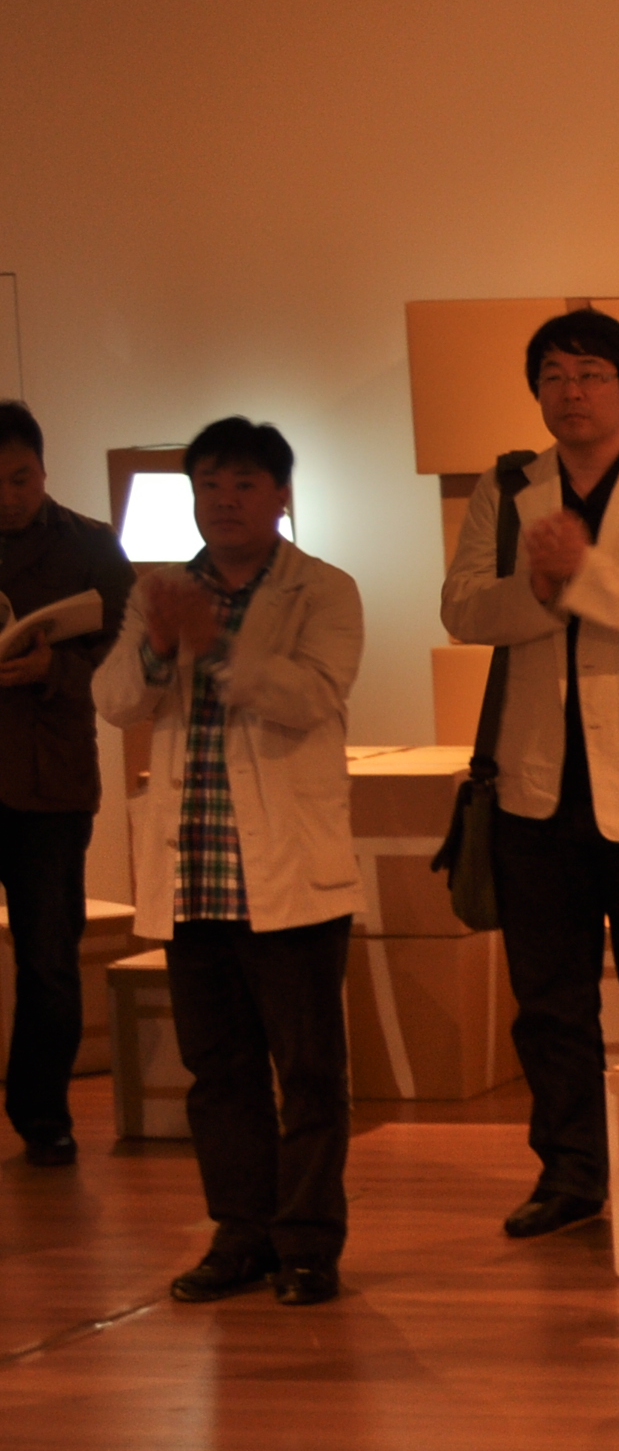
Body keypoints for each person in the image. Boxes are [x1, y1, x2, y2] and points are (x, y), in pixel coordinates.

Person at [443, 310, 619, 1241]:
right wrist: (539, 589)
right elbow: (462, 611)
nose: (572, 392)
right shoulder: (505, 491)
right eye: (554, 375)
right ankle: (569, 1173)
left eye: (592, 374)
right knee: (549, 1003)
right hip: (534, 790)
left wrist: (583, 574)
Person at [91, 418, 366, 1306]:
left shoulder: (324, 589)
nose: (225, 500)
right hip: (194, 877)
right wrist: (159, 641)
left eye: (245, 483)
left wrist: (213, 644)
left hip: (290, 879)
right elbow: (115, 701)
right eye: (209, 483)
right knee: (219, 1074)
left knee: (310, 1073)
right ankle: (240, 1235)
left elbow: (311, 695)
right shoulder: (161, 591)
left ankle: (308, 1244)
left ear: (281, 496)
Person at [0, 400, 133, 1166]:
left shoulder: (90, 546)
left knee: (49, 959)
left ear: (44, 470)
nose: (9, 497)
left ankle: (43, 1114)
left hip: (50, 782)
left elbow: (131, 667)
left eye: (21, 479)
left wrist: (55, 667)